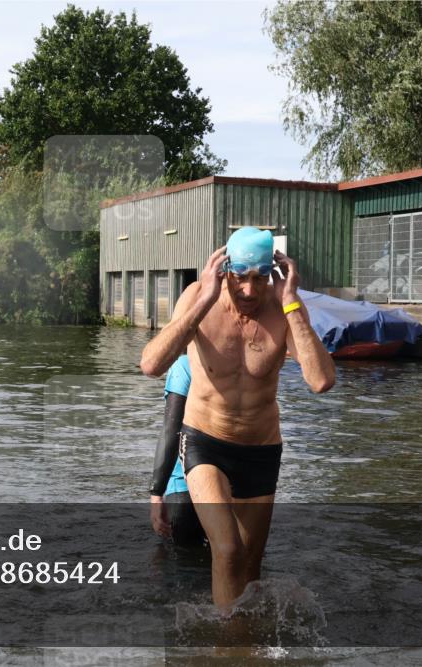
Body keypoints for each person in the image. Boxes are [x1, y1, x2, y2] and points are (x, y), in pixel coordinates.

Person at [139, 227, 336, 610]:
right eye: (240, 277)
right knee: (227, 549)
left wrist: (292, 300)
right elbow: (151, 364)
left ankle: (246, 641)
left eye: (260, 278)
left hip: (261, 450)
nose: (249, 290)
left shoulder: (284, 308)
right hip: (204, 441)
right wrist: (205, 297)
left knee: (249, 560)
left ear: (273, 273)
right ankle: (225, 646)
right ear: (225, 269)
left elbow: (321, 380)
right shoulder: (199, 297)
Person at [149, 354, 206, 547]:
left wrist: (157, 493)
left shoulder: (185, 364)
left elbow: (171, 430)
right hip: (239, 487)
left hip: (186, 486)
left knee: (182, 565)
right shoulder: (246, 363)